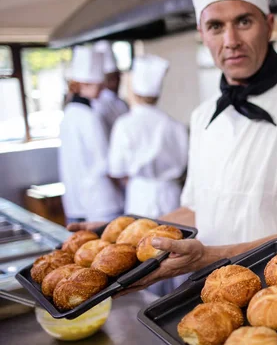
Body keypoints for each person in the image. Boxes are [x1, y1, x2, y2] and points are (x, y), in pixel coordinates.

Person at [69, 0, 277, 292]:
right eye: (216, 26)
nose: (231, 41)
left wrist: (209, 257)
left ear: (270, 24)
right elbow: (195, 210)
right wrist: (120, 236)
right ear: (202, 33)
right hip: (210, 296)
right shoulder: (204, 116)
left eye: (244, 21)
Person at [108, 54, 189, 219]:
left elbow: (116, 169)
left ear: (135, 91)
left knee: (140, 240)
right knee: (172, 238)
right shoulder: (175, 125)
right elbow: (185, 166)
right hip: (171, 194)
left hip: (140, 195)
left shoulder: (124, 124)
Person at [59, 46, 124, 224]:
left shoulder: (69, 112)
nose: (103, 89)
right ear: (84, 85)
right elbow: (105, 161)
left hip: (77, 198)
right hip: (101, 200)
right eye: (99, 85)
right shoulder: (89, 116)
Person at [92, 40, 129, 135]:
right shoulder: (98, 104)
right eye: (112, 79)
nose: (116, 82)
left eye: (117, 77)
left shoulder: (122, 103)